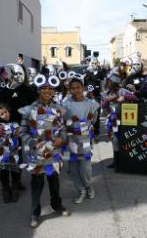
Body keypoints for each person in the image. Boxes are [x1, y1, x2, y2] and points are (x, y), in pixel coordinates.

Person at [19, 73, 71, 228]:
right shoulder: (29, 110)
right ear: (38, 90)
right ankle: (35, 212)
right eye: (44, 88)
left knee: (54, 182)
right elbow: (23, 131)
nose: (48, 91)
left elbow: (63, 129)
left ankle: (57, 205)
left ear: (54, 91)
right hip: (37, 155)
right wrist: (33, 143)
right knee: (37, 184)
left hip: (54, 153)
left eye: (50, 88)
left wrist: (61, 138)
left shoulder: (59, 109)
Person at [62, 74, 99, 204]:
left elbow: (94, 120)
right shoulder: (65, 104)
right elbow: (61, 121)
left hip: (84, 140)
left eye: (78, 87)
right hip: (70, 139)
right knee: (72, 168)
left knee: (85, 167)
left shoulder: (90, 103)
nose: (76, 90)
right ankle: (81, 190)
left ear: (83, 88)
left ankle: (89, 186)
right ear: (69, 89)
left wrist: (91, 127)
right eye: (73, 88)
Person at [102, 70, 137, 172]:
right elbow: (102, 106)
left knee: (122, 141)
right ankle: (116, 162)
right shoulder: (107, 93)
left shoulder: (122, 91)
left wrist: (125, 97)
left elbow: (135, 97)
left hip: (124, 119)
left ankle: (121, 163)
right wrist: (108, 100)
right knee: (115, 141)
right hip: (112, 121)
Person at [0, 103, 21, 203]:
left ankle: (14, 190)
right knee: (4, 173)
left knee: (14, 172)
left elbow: (19, 139)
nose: (5, 114)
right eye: (2, 114)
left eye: (6, 112)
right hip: (2, 154)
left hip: (14, 153)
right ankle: (6, 191)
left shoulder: (16, 124)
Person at [83, 59, 104, 142]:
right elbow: (83, 84)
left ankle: (96, 133)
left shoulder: (100, 73)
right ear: (90, 63)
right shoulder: (87, 73)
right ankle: (87, 133)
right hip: (88, 98)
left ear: (97, 64)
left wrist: (102, 93)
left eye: (95, 63)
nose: (94, 64)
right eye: (92, 63)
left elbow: (102, 84)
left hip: (97, 97)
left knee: (97, 116)